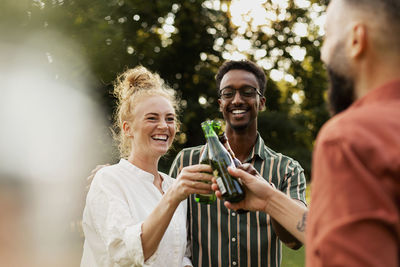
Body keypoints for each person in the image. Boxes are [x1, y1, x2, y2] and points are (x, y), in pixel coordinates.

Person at [214, 0, 400, 266]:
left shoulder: (352, 137)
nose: (324, 54)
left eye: (328, 36)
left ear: (357, 40)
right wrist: (269, 199)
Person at [169, 60, 307, 267]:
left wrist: (270, 198)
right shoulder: (187, 162)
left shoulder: (287, 169)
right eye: (228, 93)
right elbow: (162, 220)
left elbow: (295, 240)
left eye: (248, 92)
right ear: (220, 103)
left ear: (261, 102)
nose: (237, 100)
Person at [81, 66, 214, 267]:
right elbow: (127, 254)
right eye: (152, 118)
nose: (163, 126)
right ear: (128, 129)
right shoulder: (108, 180)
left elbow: (180, 254)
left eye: (170, 118)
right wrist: (174, 196)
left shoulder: (171, 185)